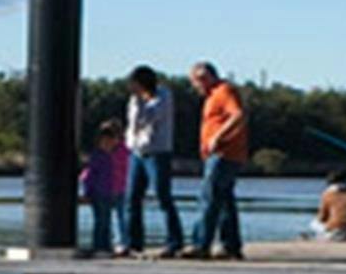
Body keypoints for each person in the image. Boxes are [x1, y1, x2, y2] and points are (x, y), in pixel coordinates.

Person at [184, 61, 247, 260]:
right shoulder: (213, 95)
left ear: (204, 78)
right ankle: (231, 246)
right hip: (221, 155)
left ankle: (201, 243)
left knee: (209, 198)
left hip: (223, 154)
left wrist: (217, 137)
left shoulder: (224, 91)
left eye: (196, 82)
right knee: (225, 200)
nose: (196, 87)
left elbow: (238, 115)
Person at [123, 65, 184, 257]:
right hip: (137, 152)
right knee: (132, 198)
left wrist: (140, 103)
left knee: (162, 196)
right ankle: (133, 243)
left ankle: (174, 241)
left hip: (158, 152)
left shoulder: (164, 96)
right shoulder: (134, 101)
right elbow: (133, 123)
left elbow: (149, 117)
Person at [78, 119, 129, 256]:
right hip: (100, 192)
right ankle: (100, 246)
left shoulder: (124, 152)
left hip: (120, 189)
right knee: (101, 220)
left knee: (121, 218)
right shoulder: (97, 156)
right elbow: (88, 176)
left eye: (111, 139)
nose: (108, 143)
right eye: (104, 140)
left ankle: (119, 244)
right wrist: (87, 192)